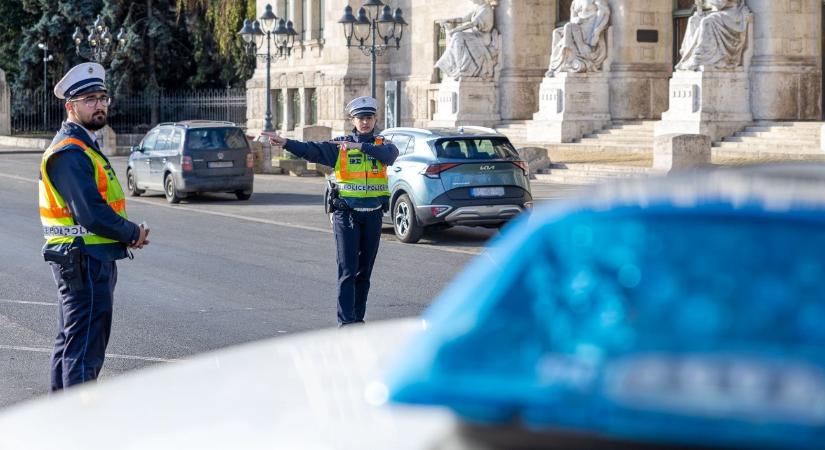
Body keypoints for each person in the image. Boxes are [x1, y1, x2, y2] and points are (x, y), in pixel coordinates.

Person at [40, 62, 150, 391]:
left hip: (87, 258)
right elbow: (90, 213)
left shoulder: (84, 146)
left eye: (103, 97)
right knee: (84, 349)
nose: (99, 104)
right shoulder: (70, 152)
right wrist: (132, 233)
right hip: (84, 261)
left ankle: (61, 424)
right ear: (70, 106)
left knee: (72, 343)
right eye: (89, 99)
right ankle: (77, 428)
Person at [263, 96, 399, 327]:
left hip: (373, 214)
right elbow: (311, 150)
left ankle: (358, 318)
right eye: (360, 118)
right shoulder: (340, 146)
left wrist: (361, 146)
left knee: (364, 272)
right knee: (348, 270)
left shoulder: (383, 145)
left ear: (375, 118)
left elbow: (390, 157)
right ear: (352, 120)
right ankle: (346, 322)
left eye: (369, 117)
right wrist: (285, 142)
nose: (365, 122)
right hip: (346, 214)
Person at [675, 0, 751, 71]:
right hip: (718, 12)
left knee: (707, 21)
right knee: (693, 20)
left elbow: (720, 4)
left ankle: (702, 56)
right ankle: (690, 57)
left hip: (732, 13)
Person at [435, 0, 499, 80]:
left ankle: (461, 68)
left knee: (458, 36)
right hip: (475, 36)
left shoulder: (486, 9)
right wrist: (448, 20)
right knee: (457, 36)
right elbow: (462, 19)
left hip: (482, 38)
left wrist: (455, 30)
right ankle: (455, 66)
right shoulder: (477, 9)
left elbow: (472, 24)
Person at [547, 0, 611, 75]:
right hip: (578, 26)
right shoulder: (575, 2)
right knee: (556, 32)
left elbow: (604, 14)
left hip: (589, 27)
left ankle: (572, 59)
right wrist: (576, 20)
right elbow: (572, 19)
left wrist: (596, 31)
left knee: (568, 27)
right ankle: (556, 65)